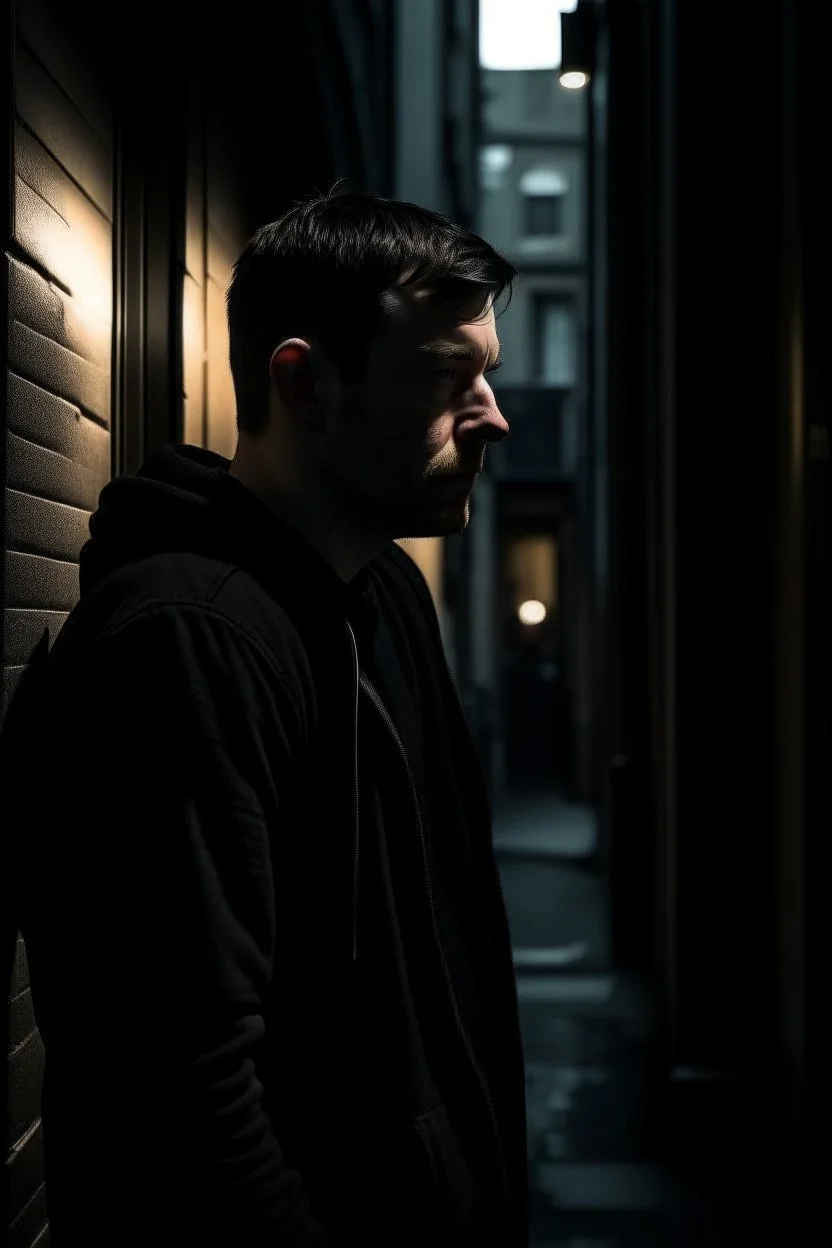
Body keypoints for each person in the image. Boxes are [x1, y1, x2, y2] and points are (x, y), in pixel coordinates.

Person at [13, 189, 528, 1247]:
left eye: (487, 377)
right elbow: (182, 1100)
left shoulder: (385, 599)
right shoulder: (188, 644)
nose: (491, 417)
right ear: (304, 383)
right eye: (445, 377)